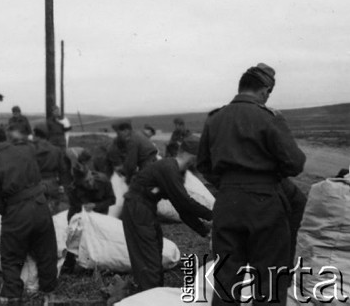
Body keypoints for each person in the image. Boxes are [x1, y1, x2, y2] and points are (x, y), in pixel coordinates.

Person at [196, 63, 306, 305]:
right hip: (265, 203)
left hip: (226, 202)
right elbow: (295, 163)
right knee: (269, 278)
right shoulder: (269, 118)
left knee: (226, 276)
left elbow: (203, 164)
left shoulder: (215, 119)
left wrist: (228, 184)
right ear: (265, 91)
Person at [122, 143, 212, 292]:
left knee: (155, 247)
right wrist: (212, 215)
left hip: (145, 208)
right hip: (137, 208)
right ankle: (149, 295)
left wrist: (204, 231)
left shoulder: (172, 170)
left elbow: (181, 207)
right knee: (148, 254)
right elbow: (185, 202)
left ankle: (153, 291)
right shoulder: (169, 168)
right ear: (192, 157)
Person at [0, 124, 57, 303]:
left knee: (10, 257)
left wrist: (10, 213)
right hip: (40, 206)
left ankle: (13, 296)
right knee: (46, 252)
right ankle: (50, 295)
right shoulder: (27, 151)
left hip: (16, 211)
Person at [33, 122, 69, 214]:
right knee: (53, 213)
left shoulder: (30, 149)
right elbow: (63, 170)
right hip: (52, 185)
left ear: (36, 135)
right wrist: (62, 186)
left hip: (35, 185)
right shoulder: (56, 150)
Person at [111, 119, 158, 184]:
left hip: (148, 164)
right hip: (151, 162)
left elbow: (131, 164)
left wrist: (127, 179)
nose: (118, 135)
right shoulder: (135, 134)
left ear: (125, 130)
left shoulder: (131, 140)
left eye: (118, 132)